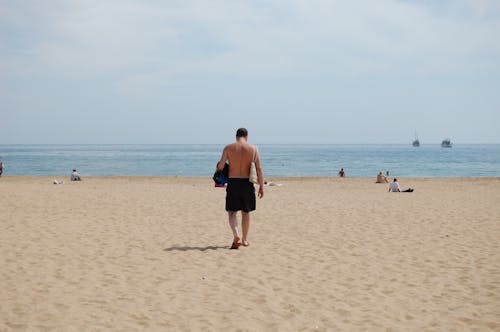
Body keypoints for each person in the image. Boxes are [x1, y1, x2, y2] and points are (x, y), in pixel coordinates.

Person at [217, 128, 264, 249]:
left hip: (233, 182)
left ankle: (236, 235)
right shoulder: (253, 149)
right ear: (246, 136)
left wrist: (220, 166)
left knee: (232, 212)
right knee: (246, 212)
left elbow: (221, 166)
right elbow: (259, 169)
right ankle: (245, 239)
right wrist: (261, 187)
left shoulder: (228, 148)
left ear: (236, 136)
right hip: (247, 183)